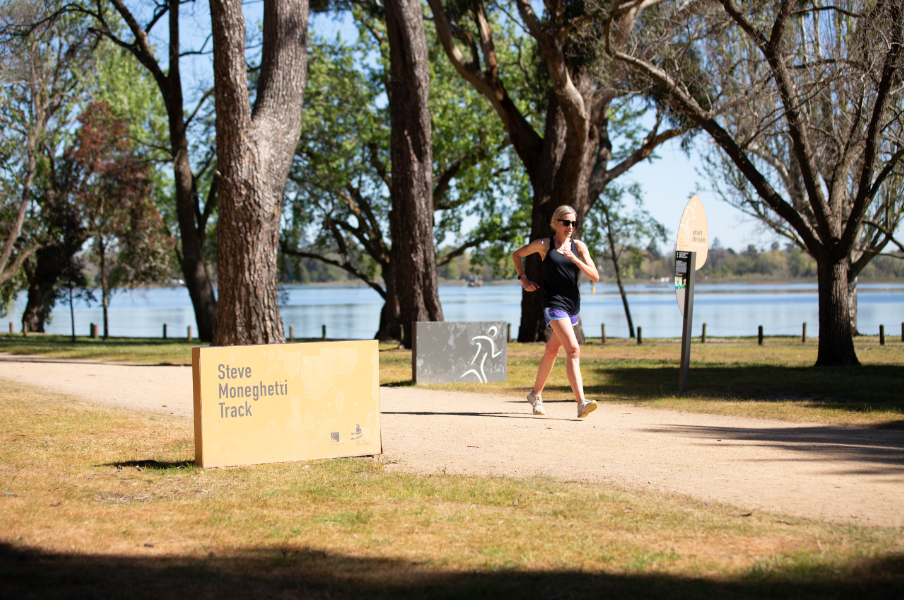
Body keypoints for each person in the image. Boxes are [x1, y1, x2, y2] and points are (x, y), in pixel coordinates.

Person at [512, 205, 600, 418]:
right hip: (553, 305)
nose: (570, 227)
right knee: (573, 349)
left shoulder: (579, 247)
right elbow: (517, 255)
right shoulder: (544, 245)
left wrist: (575, 259)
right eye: (566, 222)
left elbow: (595, 276)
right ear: (555, 223)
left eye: (574, 223)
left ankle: (535, 395)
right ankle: (581, 403)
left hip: (572, 307)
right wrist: (523, 278)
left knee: (552, 352)